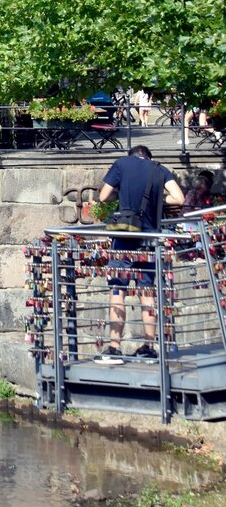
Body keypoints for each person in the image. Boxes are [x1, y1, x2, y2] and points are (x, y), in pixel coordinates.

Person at [96, 145, 184, 362]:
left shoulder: (121, 164)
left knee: (118, 289)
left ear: (132, 155)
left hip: (125, 238)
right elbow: (179, 198)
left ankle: (114, 348)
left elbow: (103, 196)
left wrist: (121, 193)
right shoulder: (159, 169)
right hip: (149, 240)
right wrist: (159, 201)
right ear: (148, 157)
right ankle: (148, 346)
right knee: (147, 291)